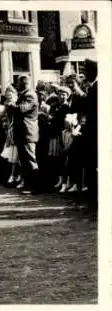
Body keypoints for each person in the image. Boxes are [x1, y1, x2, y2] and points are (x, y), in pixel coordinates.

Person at [13, 75, 40, 194]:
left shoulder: (30, 95)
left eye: (18, 83)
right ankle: (28, 185)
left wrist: (11, 103)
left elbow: (22, 109)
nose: (16, 85)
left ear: (23, 83)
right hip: (22, 132)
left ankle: (34, 186)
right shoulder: (25, 94)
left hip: (27, 131)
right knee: (24, 160)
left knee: (30, 159)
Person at [82, 59, 98, 207]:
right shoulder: (92, 87)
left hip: (96, 133)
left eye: (86, 72)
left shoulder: (98, 87)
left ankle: (95, 197)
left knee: (94, 164)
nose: (84, 74)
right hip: (91, 132)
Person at [0, 84, 20, 186]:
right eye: (7, 96)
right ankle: (12, 176)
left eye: (10, 95)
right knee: (11, 155)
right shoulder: (7, 105)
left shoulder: (17, 104)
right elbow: (4, 116)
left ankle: (15, 176)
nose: (9, 97)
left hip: (17, 131)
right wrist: (4, 121)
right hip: (9, 130)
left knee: (16, 155)